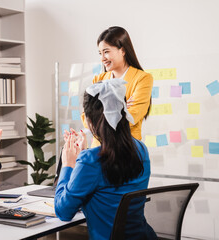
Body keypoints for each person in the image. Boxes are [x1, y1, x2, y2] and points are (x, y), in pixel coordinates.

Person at [55, 79, 157, 239]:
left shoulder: (91, 160)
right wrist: (84, 155)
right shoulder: (141, 149)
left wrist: (68, 165)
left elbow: (63, 212)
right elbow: (110, 190)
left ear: (89, 121)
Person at [82, 26, 153, 147]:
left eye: (106, 52)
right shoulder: (98, 80)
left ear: (123, 50)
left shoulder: (142, 78)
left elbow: (131, 118)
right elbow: (86, 118)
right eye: (100, 53)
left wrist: (100, 112)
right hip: (98, 149)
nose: (102, 58)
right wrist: (121, 109)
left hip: (127, 151)